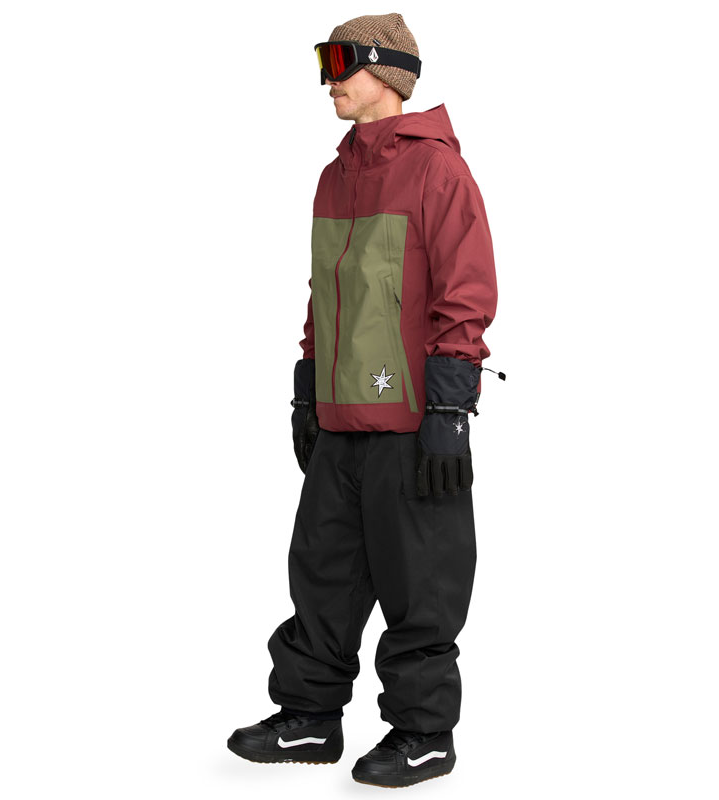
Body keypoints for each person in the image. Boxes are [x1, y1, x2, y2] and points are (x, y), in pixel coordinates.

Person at [227, 12, 499, 788]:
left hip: (411, 421)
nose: (328, 80)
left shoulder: (438, 171)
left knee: (421, 581)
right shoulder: (335, 175)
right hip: (342, 418)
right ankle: (309, 719)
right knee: (321, 572)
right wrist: (307, 390)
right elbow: (327, 293)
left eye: (340, 62)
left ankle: (424, 734)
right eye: (324, 61)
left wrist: (449, 408)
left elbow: (467, 289)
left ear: (386, 71)